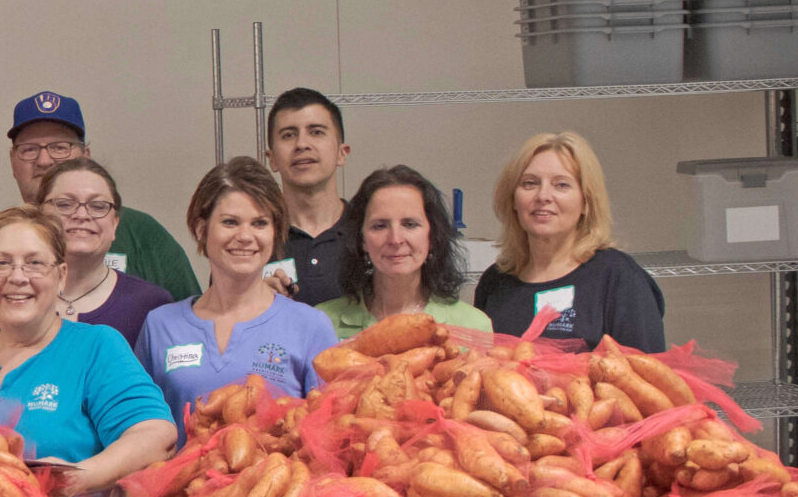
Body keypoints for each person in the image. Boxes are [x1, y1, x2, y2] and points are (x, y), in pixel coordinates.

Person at [0, 91, 199, 359]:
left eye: (59, 147)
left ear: (86, 155)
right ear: (12, 162)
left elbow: (192, 335)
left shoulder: (145, 236)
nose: (44, 160)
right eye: (29, 150)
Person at [0, 207, 177, 497]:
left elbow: (155, 434)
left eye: (34, 263)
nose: (17, 277)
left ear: (61, 276)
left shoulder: (95, 348)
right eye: (1, 263)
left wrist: (80, 478)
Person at [138, 160, 337, 432]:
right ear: (201, 229)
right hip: (179, 475)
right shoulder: (161, 325)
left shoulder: (310, 327)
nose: (245, 236)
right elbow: (140, 429)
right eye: (230, 222)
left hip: (275, 475)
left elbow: (329, 432)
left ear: (276, 232)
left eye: (259, 223)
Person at [474, 131, 667, 350]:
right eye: (530, 183)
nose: (543, 196)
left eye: (561, 185)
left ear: (586, 202)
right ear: (513, 201)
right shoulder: (494, 283)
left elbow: (647, 375)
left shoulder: (618, 277)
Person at [0, 158, 173, 354]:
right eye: (64, 204)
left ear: (115, 224)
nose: (82, 215)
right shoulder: (7, 305)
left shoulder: (152, 306)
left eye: (98, 206)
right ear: (40, 216)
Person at [317, 167, 494, 339]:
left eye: (410, 224)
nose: (395, 239)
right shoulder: (321, 323)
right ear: (361, 239)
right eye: (380, 226)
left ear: (432, 236)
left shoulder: (473, 326)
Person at [265, 88, 353, 305]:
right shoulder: (250, 240)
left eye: (316, 132)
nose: (302, 144)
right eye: (288, 135)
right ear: (272, 159)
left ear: (342, 152)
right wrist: (250, 301)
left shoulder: (372, 233)